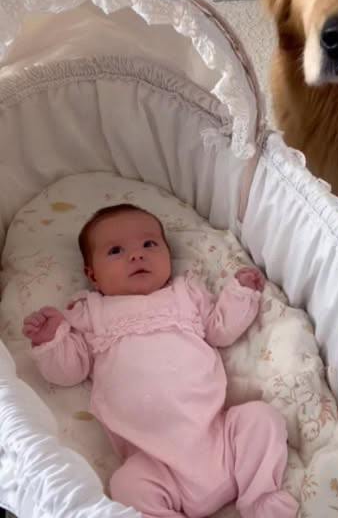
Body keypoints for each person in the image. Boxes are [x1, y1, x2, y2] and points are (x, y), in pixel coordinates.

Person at [22, 204, 298, 518]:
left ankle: (261, 500)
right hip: (155, 461)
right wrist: (51, 339)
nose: (136, 255)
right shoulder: (91, 312)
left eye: (149, 244)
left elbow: (220, 330)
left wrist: (240, 294)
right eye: (115, 250)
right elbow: (70, 372)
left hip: (219, 438)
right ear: (92, 274)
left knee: (261, 418)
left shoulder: (185, 293)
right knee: (126, 484)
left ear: (168, 253)